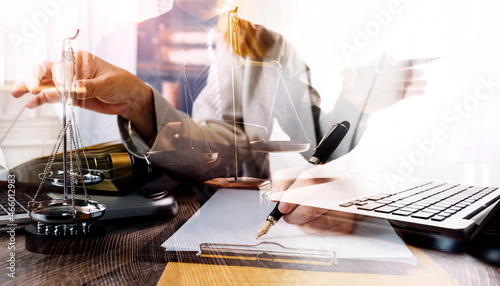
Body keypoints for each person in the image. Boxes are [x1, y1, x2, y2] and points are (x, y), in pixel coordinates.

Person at [11, 0, 425, 211]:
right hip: (137, 228)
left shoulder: (272, 47)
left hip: (245, 216)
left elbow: (317, 146)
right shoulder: (119, 49)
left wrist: (356, 104)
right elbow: (115, 169)